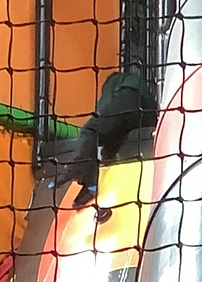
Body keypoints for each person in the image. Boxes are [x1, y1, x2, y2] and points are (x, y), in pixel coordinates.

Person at [62, 66, 158, 208]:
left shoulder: (113, 84)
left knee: (90, 130)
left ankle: (88, 179)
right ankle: (89, 180)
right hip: (144, 117)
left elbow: (106, 116)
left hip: (129, 99)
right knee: (107, 139)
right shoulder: (132, 85)